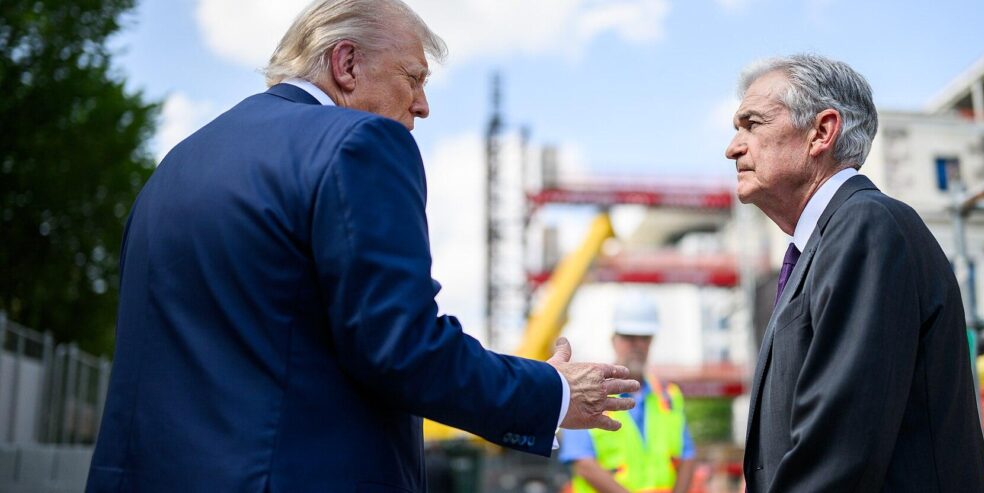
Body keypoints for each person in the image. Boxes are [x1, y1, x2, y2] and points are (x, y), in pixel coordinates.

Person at [86, 1, 638, 491]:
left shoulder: (174, 169)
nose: (422, 105)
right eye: (413, 77)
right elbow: (402, 347)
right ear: (346, 63)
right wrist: (550, 392)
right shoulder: (360, 144)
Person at [725, 54, 984, 492]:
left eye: (752, 124)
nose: (733, 147)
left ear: (822, 132)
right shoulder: (828, 242)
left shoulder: (864, 226)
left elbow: (838, 451)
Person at [560, 295, 696, 493]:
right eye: (629, 337)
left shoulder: (669, 396)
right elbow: (583, 464)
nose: (637, 345)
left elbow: (687, 455)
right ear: (614, 340)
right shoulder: (587, 393)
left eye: (644, 337)